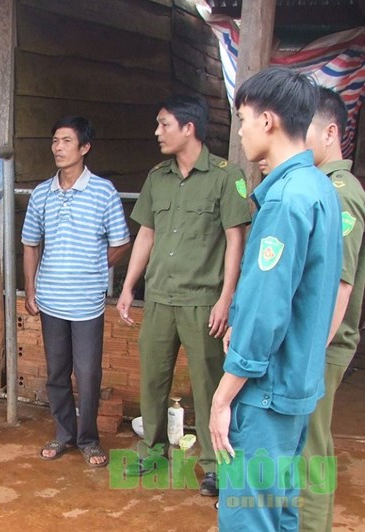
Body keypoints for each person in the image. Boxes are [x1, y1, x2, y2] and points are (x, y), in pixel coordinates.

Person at [210, 67, 343, 531]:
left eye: (243, 118)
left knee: (250, 517)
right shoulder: (321, 189)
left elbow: (267, 311)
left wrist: (224, 397)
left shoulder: (286, 200)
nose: (241, 130)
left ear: (268, 121)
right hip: (296, 388)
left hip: (264, 394)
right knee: (282, 514)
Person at [116, 94, 251, 495]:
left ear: (189, 128)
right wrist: (127, 286)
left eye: (164, 124)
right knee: (152, 379)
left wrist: (227, 297)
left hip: (203, 302)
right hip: (159, 298)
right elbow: (146, 233)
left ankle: (214, 464)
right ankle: (152, 450)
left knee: (209, 384)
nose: (157, 132)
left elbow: (234, 241)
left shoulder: (227, 177)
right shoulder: (157, 176)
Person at [22, 116, 130, 467]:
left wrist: (99, 265)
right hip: (51, 298)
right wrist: (31, 288)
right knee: (56, 372)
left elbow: (120, 241)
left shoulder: (103, 191)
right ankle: (64, 434)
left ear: (84, 147)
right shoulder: (42, 193)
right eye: (55, 140)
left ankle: (88, 439)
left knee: (87, 373)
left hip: (86, 302)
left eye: (66, 141)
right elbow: (30, 244)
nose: (58, 147)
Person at [299, 88, 365, 532]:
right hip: (315, 340)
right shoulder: (323, 186)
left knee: (311, 447)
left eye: (302, 130)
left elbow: (340, 285)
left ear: (330, 132)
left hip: (322, 341)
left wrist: (311, 349)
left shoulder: (340, 192)